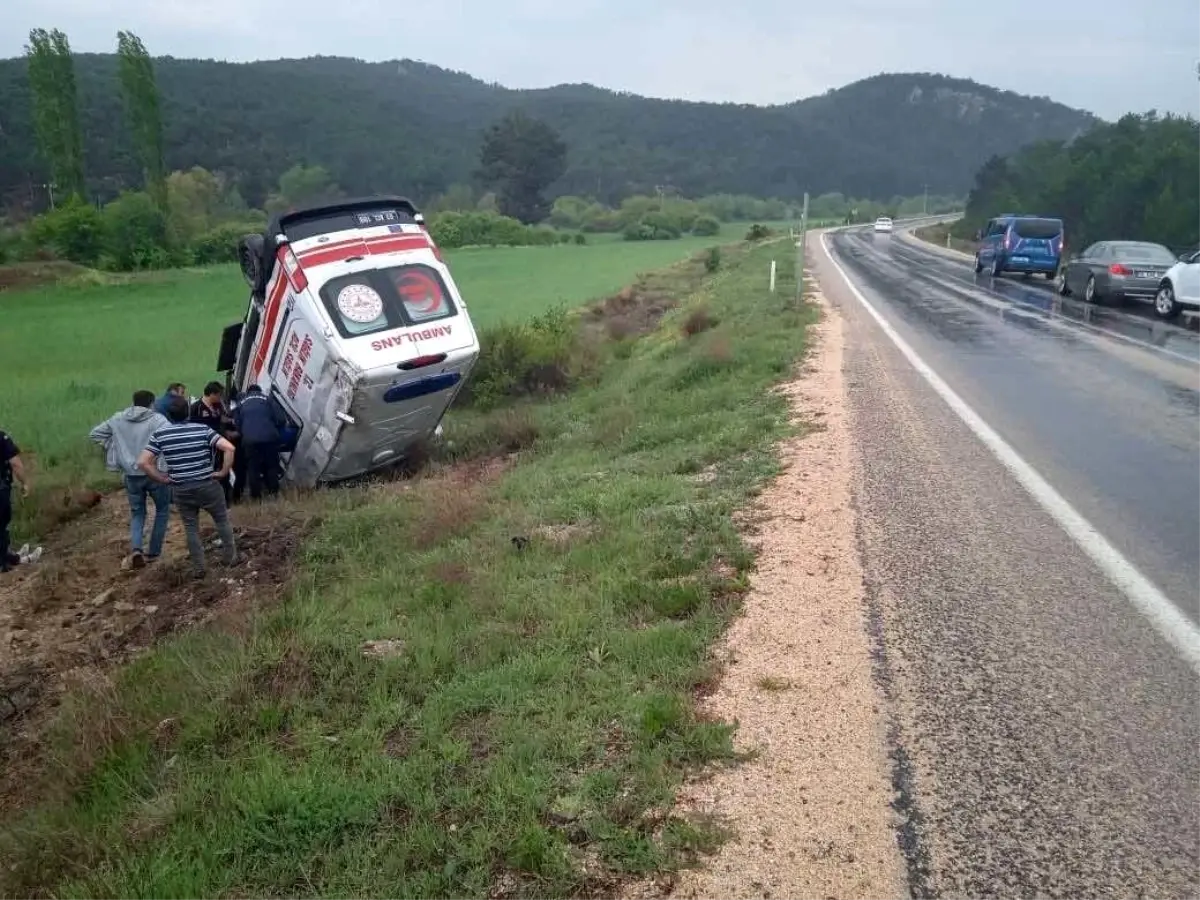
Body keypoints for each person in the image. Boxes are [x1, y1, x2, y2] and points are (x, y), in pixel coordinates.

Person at [138, 395, 237, 578]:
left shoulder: (161, 434)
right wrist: (223, 472)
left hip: (181, 489)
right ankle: (230, 558)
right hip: (207, 484)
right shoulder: (202, 429)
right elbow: (229, 448)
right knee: (222, 520)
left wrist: (162, 478)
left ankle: (199, 568)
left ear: (169, 415)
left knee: (191, 528)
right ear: (188, 413)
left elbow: (143, 462)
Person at [89, 390, 171, 568]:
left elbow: (95, 434)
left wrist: (113, 447)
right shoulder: (158, 420)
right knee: (162, 510)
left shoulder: (118, 418)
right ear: (151, 403)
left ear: (133, 402)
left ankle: (136, 549)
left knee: (137, 513)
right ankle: (154, 552)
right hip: (154, 472)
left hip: (131, 475)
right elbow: (169, 440)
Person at [190, 381, 239, 503]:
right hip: (205, 447)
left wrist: (231, 422)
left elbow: (220, 419)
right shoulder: (196, 408)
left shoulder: (218, 406)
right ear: (211, 394)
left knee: (224, 470)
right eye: (219, 395)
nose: (220, 398)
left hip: (220, 444)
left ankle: (226, 499)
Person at [234, 384, 286, 500]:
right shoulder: (268, 399)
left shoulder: (241, 403)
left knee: (253, 468)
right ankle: (274, 494)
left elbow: (237, 425)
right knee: (271, 466)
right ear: (260, 391)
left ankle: (256, 498)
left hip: (250, 441)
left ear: (248, 393)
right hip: (269, 438)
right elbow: (281, 419)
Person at [0, 428, 31, 573]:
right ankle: (3, 562)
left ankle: (9, 556)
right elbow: (15, 463)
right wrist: (24, 482)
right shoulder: (1, 437)